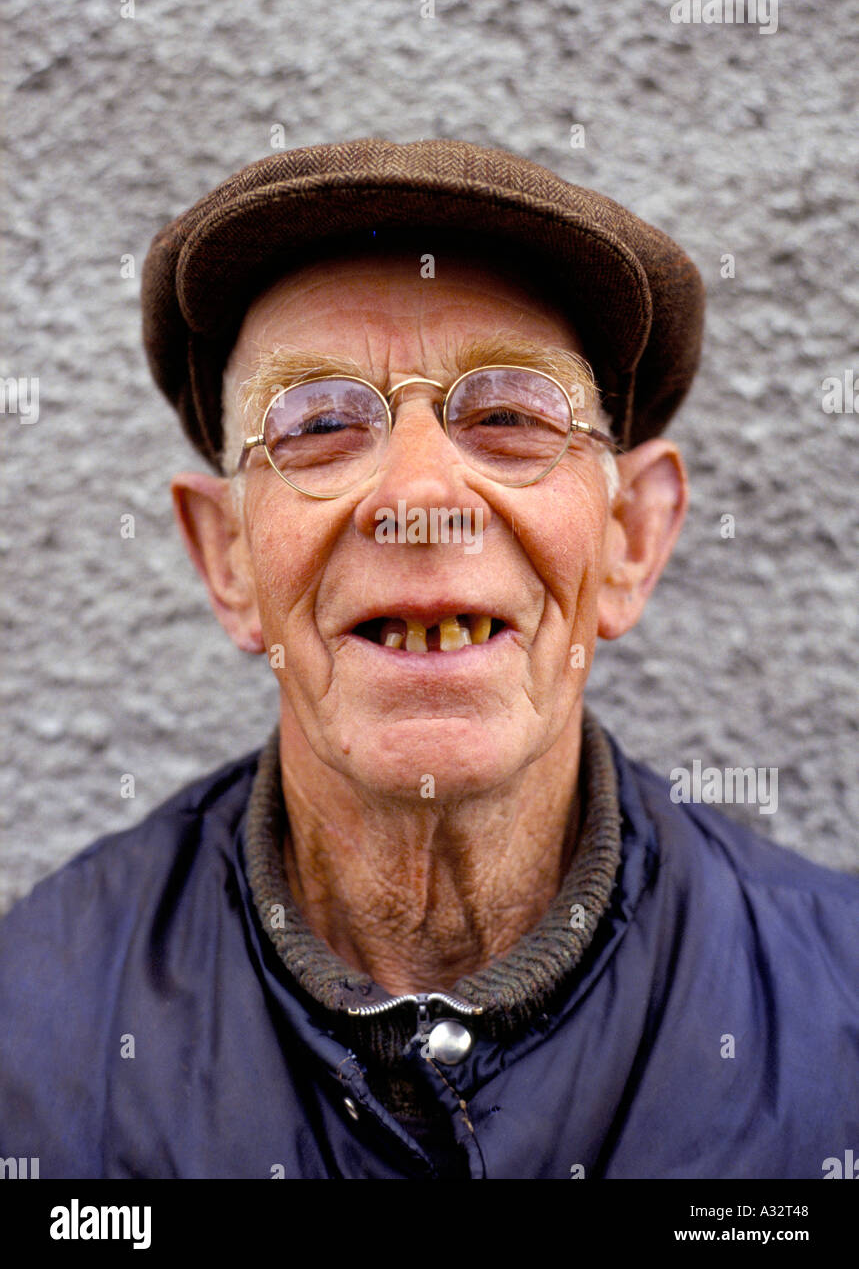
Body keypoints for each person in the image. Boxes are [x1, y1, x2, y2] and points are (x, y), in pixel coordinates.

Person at [1, 139, 856, 1180]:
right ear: (226, 557)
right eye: (317, 422)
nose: (419, 498)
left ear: (630, 538)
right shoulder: (31, 1036)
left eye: (507, 415)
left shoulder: (838, 1010)